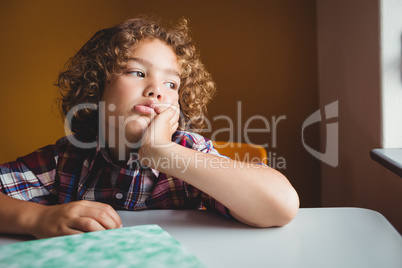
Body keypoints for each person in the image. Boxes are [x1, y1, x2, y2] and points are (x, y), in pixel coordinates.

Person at [0, 16, 299, 239]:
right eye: (137, 72)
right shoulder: (66, 159)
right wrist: (36, 219)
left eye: (171, 84)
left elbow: (281, 205)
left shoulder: (189, 151)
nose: (157, 90)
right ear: (97, 87)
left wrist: (162, 152)